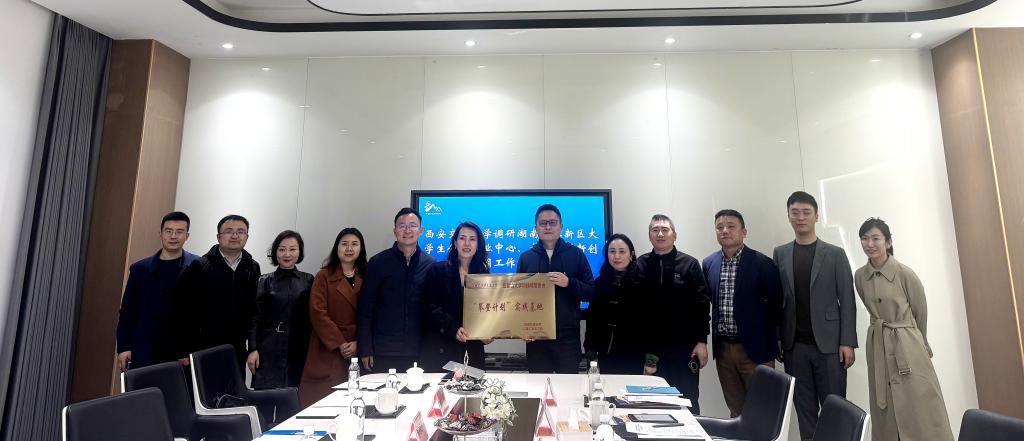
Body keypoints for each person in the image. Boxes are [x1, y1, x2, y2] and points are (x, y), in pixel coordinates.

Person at [855, 218, 953, 441]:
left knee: (919, 401)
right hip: (878, 344)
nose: (870, 244)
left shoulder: (904, 273)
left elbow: (920, 312)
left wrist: (918, 341)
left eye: (876, 238)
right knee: (885, 402)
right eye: (864, 238)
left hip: (908, 344)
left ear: (888, 242)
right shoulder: (860, 276)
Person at [773, 191, 857, 441]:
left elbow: (847, 301)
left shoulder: (835, 254)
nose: (801, 217)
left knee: (835, 409)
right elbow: (778, 301)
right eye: (795, 212)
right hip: (795, 347)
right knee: (805, 411)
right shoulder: (780, 253)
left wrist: (847, 341)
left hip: (830, 346)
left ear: (816, 216)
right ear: (788, 216)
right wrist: (778, 337)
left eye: (806, 212)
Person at [702, 209, 783, 417]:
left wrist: (776, 342)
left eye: (731, 226)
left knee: (762, 412)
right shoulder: (709, 264)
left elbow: (776, 306)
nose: (725, 231)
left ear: (744, 232)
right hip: (724, 351)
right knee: (736, 410)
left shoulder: (763, 263)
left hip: (756, 351)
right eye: (720, 227)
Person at [635, 214, 711, 414]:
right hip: (650, 350)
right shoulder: (640, 264)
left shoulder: (690, 264)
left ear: (674, 235)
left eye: (664, 230)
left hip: (684, 348)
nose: (660, 234)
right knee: (651, 405)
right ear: (649, 236)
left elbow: (702, 304)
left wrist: (702, 341)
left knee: (687, 402)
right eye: (655, 230)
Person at [173, 214, 261, 371]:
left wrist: (253, 346)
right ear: (218, 236)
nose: (235, 236)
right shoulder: (200, 266)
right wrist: (183, 350)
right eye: (229, 231)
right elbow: (183, 310)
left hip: (237, 347)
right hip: (203, 346)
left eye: (241, 231)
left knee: (233, 386)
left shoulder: (252, 267)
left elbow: (253, 310)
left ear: (247, 237)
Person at [516, 204, 595, 374]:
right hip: (536, 338)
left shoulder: (576, 254)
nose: (548, 227)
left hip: (567, 337)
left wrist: (569, 283)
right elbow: (518, 298)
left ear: (561, 226)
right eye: (543, 223)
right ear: (535, 228)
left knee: (569, 387)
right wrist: (522, 328)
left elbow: (591, 292)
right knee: (538, 386)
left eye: (552, 222)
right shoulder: (526, 258)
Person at [115, 211, 198, 370]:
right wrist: (124, 347)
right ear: (160, 234)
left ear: (187, 236)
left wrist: (191, 350)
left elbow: (201, 316)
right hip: (144, 348)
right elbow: (127, 311)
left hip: (180, 354)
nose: (173, 236)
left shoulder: (198, 266)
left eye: (179, 232)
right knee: (142, 387)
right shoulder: (140, 269)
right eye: (169, 231)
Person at [358, 208, 436, 373]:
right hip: (383, 350)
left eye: (413, 225)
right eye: (402, 226)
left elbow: (434, 310)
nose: (407, 230)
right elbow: (365, 309)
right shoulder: (378, 263)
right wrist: (365, 348)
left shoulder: (430, 265)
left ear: (421, 230)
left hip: (420, 351)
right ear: (395, 231)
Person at [299, 227, 367, 406]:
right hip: (328, 346)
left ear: (361, 248)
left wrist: (359, 342)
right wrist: (340, 343)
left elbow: (372, 314)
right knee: (323, 402)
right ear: (337, 247)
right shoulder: (323, 275)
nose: (349, 248)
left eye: (354, 244)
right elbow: (317, 312)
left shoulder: (367, 276)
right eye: (344, 244)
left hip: (358, 347)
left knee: (355, 400)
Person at [246, 230, 314, 389]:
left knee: (294, 397)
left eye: (292, 249)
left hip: (298, 349)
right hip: (268, 348)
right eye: (282, 249)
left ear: (299, 252)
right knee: (265, 398)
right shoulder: (263, 281)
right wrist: (252, 349)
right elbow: (254, 318)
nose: (287, 254)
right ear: (275, 252)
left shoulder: (308, 280)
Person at [421, 221, 493, 371]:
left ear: (478, 245)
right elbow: (429, 307)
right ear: (455, 243)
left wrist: (489, 333)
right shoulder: (437, 270)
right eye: (462, 238)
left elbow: (490, 309)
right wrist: (453, 328)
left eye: (472, 239)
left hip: (472, 350)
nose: (467, 243)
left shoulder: (484, 275)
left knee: (472, 385)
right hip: (442, 347)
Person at [583, 233, 646, 375]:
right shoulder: (600, 283)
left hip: (635, 354)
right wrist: (590, 350)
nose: (616, 256)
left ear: (631, 255)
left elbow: (651, 322)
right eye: (612, 251)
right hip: (606, 353)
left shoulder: (643, 283)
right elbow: (592, 321)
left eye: (622, 251)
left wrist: (650, 358)